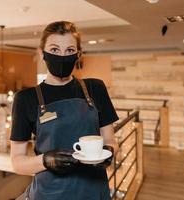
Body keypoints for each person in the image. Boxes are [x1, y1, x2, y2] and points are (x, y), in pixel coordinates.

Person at [10, 21, 119, 200]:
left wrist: (110, 152)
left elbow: (110, 140)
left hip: (93, 192)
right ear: (41, 53)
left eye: (69, 50)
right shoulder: (26, 99)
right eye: (54, 50)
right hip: (48, 194)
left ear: (78, 54)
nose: (62, 56)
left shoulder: (95, 89)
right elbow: (17, 162)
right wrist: (45, 160)